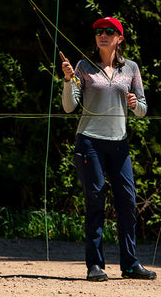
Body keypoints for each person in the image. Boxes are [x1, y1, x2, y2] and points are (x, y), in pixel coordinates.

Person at [60, 16, 156, 282]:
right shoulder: (83, 66)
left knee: (127, 201)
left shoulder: (131, 69)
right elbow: (70, 107)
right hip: (89, 141)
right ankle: (95, 265)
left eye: (109, 31)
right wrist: (69, 80)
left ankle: (130, 264)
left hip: (119, 144)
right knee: (96, 200)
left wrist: (136, 103)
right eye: (99, 31)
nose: (102, 34)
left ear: (119, 38)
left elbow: (143, 111)